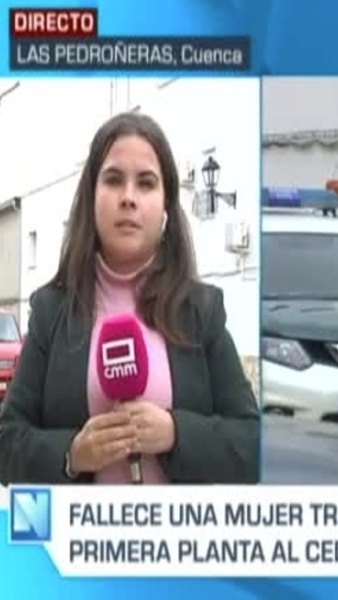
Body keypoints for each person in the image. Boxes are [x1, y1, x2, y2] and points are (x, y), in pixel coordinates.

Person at [0, 112, 260, 485]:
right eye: (113, 180)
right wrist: (73, 454)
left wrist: (174, 433)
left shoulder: (200, 310)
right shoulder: (51, 310)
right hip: (76, 539)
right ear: (92, 198)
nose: (128, 198)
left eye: (146, 183)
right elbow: (8, 443)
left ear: (166, 206)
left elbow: (250, 444)